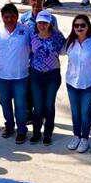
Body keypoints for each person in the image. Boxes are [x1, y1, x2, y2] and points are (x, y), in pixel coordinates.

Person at [0, 4, 31, 143]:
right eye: (6, 16)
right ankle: (9, 126)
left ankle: (22, 130)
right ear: (2, 17)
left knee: (21, 105)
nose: (9, 19)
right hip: (2, 76)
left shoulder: (26, 30)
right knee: (4, 103)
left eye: (12, 16)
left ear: (17, 17)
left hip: (21, 76)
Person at [62, 14, 91, 153]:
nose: (79, 28)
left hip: (89, 83)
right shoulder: (69, 42)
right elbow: (58, 51)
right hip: (72, 83)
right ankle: (76, 136)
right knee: (75, 112)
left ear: (88, 27)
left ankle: (84, 138)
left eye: (82, 25)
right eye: (76, 25)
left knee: (85, 112)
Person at [27, 11, 63, 145]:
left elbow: (63, 50)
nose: (42, 25)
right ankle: (36, 133)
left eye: (45, 23)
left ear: (50, 23)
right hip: (36, 74)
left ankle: (48, 134)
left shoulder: (57, 36)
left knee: (49, 105)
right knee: (37, 106)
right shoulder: (32, 35)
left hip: (52, 74)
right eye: (40, 22)